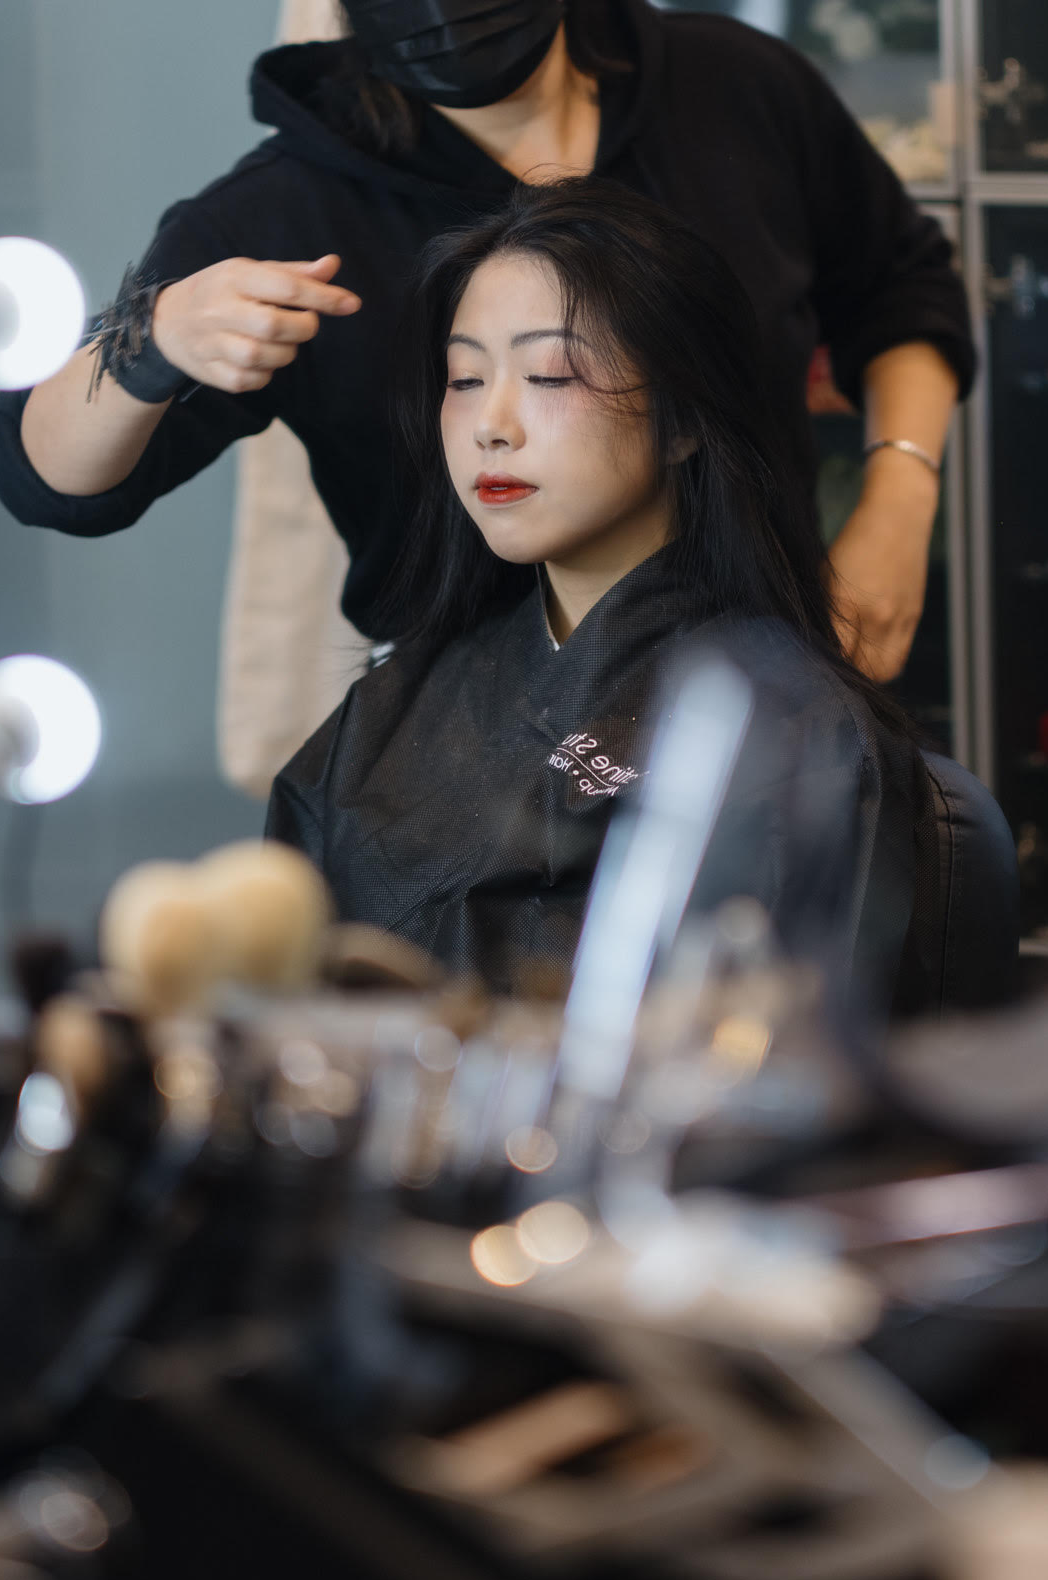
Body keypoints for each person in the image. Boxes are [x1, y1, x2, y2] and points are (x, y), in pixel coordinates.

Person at [0, 0, 975, 685]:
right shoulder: (288, 218)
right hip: (466, 797)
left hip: (773, 719)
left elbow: (904, 287)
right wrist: (155, 341)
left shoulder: (735, 89)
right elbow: (44, 478)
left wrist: (898, 500)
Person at [265, 183, 945, 1012]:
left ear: (686, 418)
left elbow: (774, 1068)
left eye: (550, 374)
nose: (492, 424)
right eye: (466, 377)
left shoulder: (789, 735)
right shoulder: (392, 702)